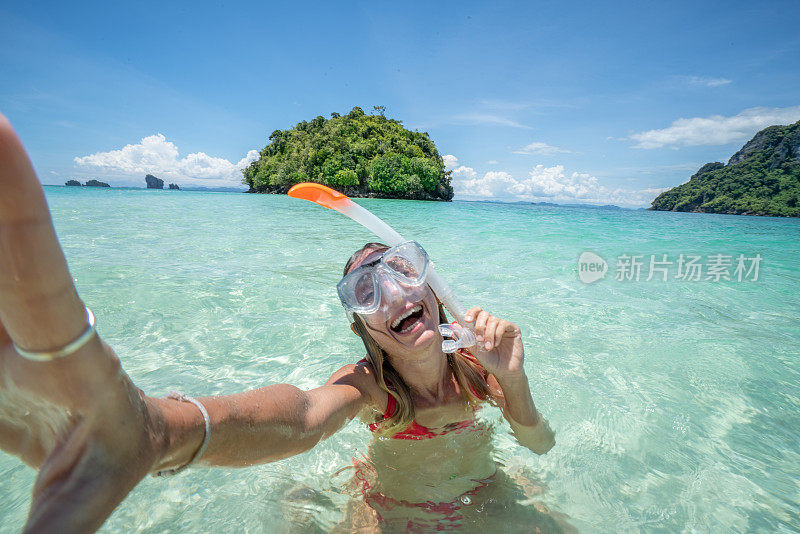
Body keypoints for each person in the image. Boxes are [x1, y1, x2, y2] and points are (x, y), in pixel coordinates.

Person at [0, 112, 555, 533]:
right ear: (365, 331)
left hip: (484, 491)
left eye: (402, 269)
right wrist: (159, 432)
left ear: (431, 289)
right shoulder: (371, 387)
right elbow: (302, 417)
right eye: (366, 291)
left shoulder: (475, 365)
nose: (392, 294)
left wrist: (514, 379)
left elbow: (539, 444)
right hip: (391, 511)